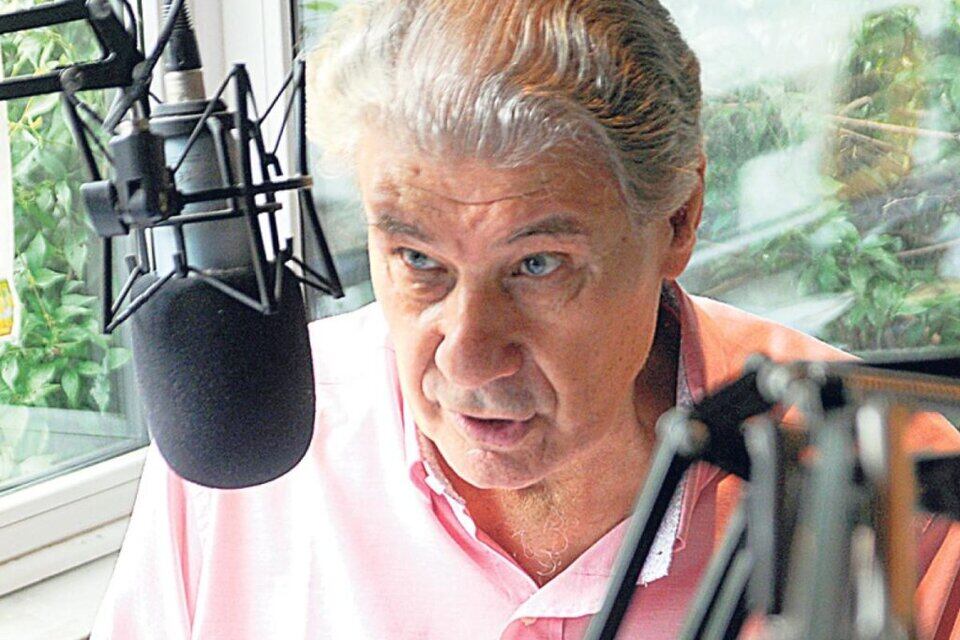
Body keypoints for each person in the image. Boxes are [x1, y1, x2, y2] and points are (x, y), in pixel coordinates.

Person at [91, 1, 960, 638]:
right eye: (417, 260)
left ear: (680, 219)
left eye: (537, 265)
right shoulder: (240, 441)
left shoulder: (886, 474)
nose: (469, 359)